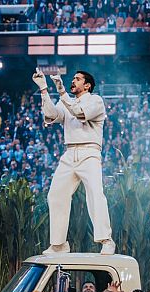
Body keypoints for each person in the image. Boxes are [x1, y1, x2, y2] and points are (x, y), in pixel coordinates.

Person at [34, 68, 115, 255]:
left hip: (89, 152)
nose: (73, 81)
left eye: (77, 79)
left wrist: (62, 93)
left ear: (87, 85)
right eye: (72, 79)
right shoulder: (66, 102)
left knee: (95, 194)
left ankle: (106, 240)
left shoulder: (95, 100)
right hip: (69, 152)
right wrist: (44, 89)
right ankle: (59, 244)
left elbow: (79, 113)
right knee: (55, 195)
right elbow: (51, 115)